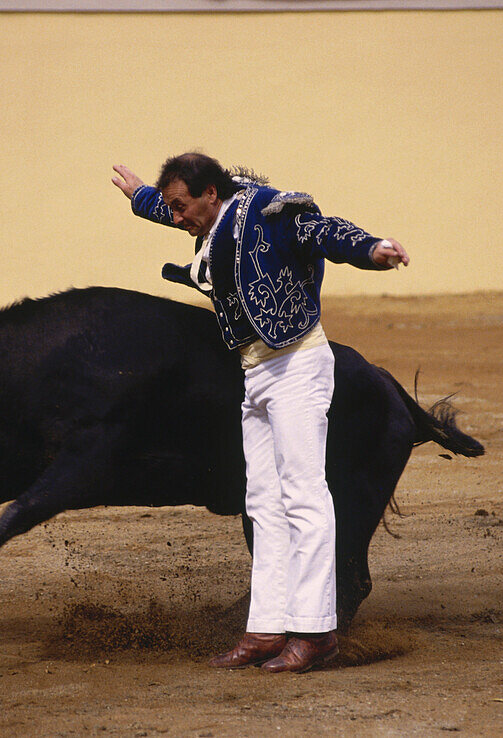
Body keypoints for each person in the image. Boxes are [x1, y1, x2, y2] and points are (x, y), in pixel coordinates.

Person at [111, 153, 408, 673]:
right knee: (263, 502)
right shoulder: (212, 213)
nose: (176, 217)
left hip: (297, 363)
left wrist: (371, 248)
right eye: (172, 209)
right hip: (255, 370)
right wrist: (141, 198)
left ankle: (316, 633)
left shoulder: (270, 209)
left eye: (181, 206)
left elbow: (323, 232)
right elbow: (168, 212)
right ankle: (267, 627)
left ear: (210, 193)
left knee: (304, 496)